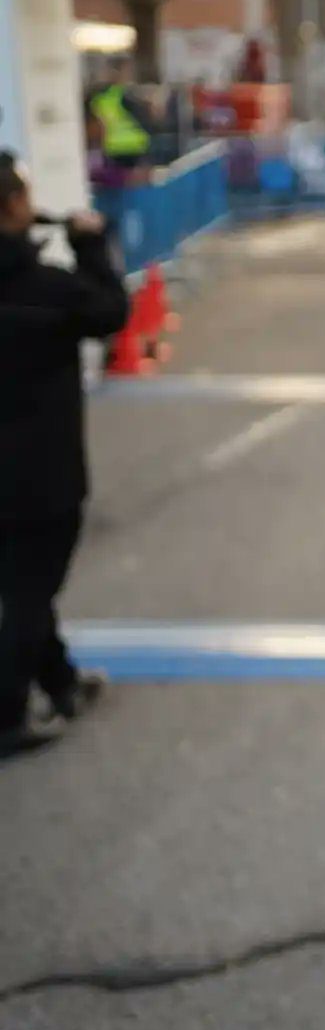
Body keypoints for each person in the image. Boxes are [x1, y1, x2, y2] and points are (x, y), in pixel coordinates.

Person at [0, 154, 130, 757]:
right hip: (40, 478)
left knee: (23, 583)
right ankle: (7, 713)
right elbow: (110, 311)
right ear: (13, 208)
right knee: (30, 593)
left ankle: (62, 683)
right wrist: (91, 245)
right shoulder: (47, 291)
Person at [86, 59, 152, 174]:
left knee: (117, 179)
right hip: (134, 145)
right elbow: (145, 117)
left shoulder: (97, 98)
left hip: (112, 147)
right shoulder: (125, 95)